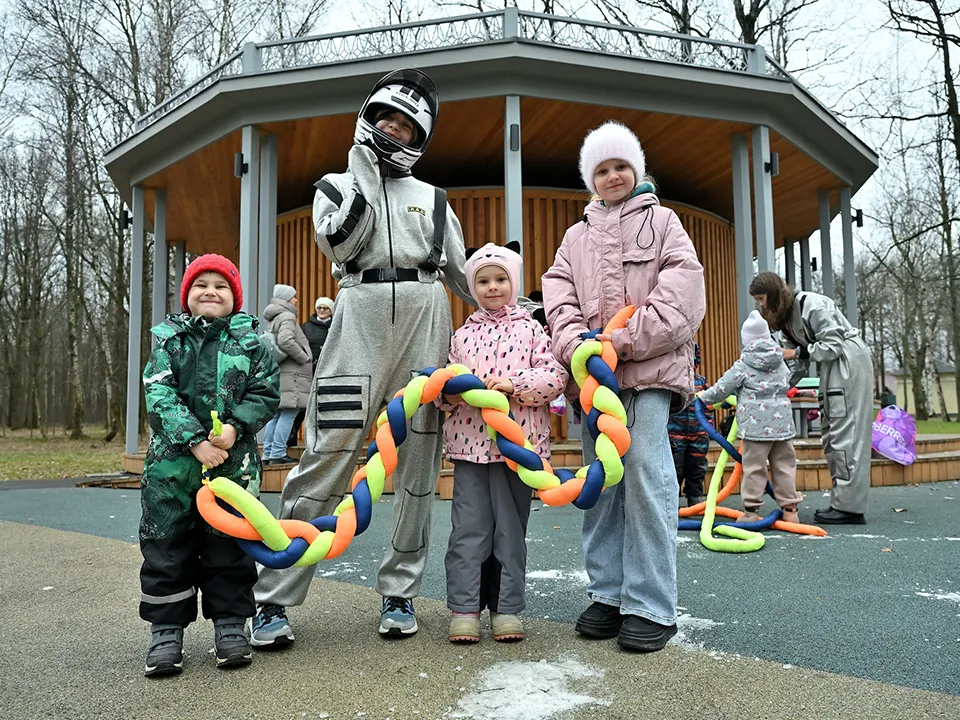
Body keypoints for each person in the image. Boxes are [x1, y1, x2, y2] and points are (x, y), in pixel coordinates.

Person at [251, 68, 473, 647]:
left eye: (406, 126)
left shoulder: (435, 198)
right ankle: (273, 599)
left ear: (421, 136)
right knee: (329, 449)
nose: (393, 132)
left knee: (420, 462)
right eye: (385, 121)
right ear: (368, 120)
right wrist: (365, 173)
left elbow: (462, 271)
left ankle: (399, 591)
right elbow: (344, 242)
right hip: (358, 312)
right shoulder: (334, 185)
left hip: (427, 315)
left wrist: (520, 304)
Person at [542, 120, 705, 652]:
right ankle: (608, 594)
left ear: (635, 170)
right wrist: (575, 346)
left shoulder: (664, 223)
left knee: (645, 476)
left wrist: (624, 342)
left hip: (648, 376)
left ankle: (651, 604)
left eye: (620, 166)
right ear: (591, 178)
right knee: (603, 484)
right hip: (595, 384)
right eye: (601, 169)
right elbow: (558, 299)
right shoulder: (576, 237)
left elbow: (683, 293)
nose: (612, 176)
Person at [139, 254, 280, 677]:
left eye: (221, 285)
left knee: (229, 546)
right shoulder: (168, 340)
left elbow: (266, 391)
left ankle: (230, 625)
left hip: (232, 469)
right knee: (167, 548)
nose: (210, 292)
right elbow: (158, 393)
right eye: (201, 285)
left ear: (234, 297)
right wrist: (196, 441)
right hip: (171, 471)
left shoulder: (252, 342)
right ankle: (166, 630)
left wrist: (236, 428)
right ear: (187, 295)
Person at [439, 242, 567, 644]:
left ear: (513, 282)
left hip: (519, 447)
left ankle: (506, 609)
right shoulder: (461, 336)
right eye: (483, 281)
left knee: (510, 530)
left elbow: (554, 379)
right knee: (468, 530)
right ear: (472, 287)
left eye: (500, 279)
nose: (492, 287)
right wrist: (453, 392)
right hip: (470, 446)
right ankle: (464, 610)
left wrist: (515, 385)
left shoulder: (532, 330)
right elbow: (442, 388)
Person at [750, 271, 873, 525]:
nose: (761, 305)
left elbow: (833, 346)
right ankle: (844, 502)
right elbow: (796, 365)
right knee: (830, 430)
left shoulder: (810, 304)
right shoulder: (786, 324)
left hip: (847, 361)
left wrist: (795, 353)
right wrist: (773, 389)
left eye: (762, 298)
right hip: (832, 366)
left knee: (845, 431)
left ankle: (849, 507)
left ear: (773, 294)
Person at [697, 311, 802, 524]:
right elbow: (786, 382)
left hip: (756, 429)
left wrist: (702, 397)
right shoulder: (780, 361)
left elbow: (721, 389)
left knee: (754, 468)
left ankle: (751, 512)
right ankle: (791, 511)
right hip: (782, 425)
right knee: (784, 466)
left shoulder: (743, 364)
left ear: (746, 341)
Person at [261, 284, 312, 465]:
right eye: (294, 296)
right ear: (286, 298)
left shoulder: (274, 317)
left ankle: (268, 453)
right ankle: (277, 453)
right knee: (289, 412)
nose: (296, 300)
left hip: (282, 372)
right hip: (293, 374)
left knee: (276, 414)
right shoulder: (287, 316)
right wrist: (303, 357)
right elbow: (285, 340)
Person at [287, 296, 335, 447]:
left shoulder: (336, 326)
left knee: (327, 406)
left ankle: (325, 440)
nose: (321, 311)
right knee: (302, 406)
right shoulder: (306, 327)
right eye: (319, 308)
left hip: (330, 371)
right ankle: (291, 437)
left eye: (325, 308)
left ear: (331, 310)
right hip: (309, 371)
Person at [668, 342, 711, 508]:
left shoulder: (701, 382)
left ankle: (694, 499)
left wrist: (707, 426)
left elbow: (708, 406)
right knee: (675, 469)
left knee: (697, 469)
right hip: (675, 434)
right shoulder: (672, 382)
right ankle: (672, 505)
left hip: (698, 434)